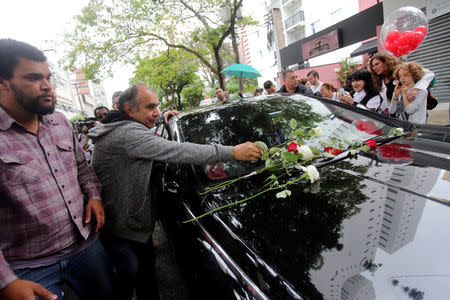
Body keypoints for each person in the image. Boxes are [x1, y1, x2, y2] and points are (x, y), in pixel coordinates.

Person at [88, 83, 265, 300]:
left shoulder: (121, 127)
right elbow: (178, 150)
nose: (156, 112)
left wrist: (162, 118)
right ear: (129, 110)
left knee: (139, 280)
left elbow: (152, 143)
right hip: (125, 232)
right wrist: (233, 152)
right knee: (138, 282)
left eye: (157, 106)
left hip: (123, 225)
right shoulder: (127, 134)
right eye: (150, 107)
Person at [0, 39, 117, 300]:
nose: (47, 86)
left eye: (48, 77)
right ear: (2, 82)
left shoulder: (59, 121)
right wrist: (6, 282)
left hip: (86, 246)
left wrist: (94, 196)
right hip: (26, 267)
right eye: (33, 78)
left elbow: (81, 167)